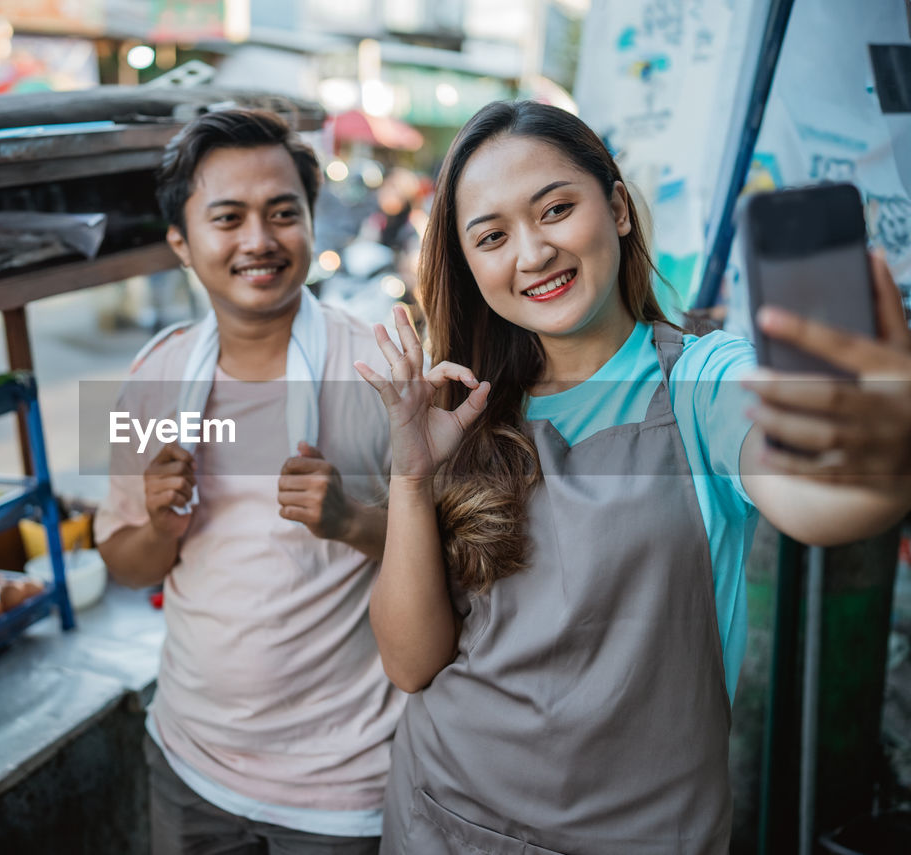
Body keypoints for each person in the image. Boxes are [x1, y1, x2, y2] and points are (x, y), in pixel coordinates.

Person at [353, 100, 911, 855]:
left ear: (616, 206)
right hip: (441, 818)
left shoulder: (705, 380)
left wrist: (878, 452)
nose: (532, 253)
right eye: (492, 236)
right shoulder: (463, 412)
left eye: (555, 209)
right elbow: (412, 663)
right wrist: (412, 474)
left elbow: (819, 497)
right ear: (468, 264)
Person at [95, 108, 403, 855]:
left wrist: (352, 520)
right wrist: (163, 525)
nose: (258, 241)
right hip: (188, 762)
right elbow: (122, 561)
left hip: (343, 784)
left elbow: (458, 551)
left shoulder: (381, 369)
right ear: (181, 241)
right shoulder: (153, 377)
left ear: (310, 221)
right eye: (227, 217)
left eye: (282, 214)